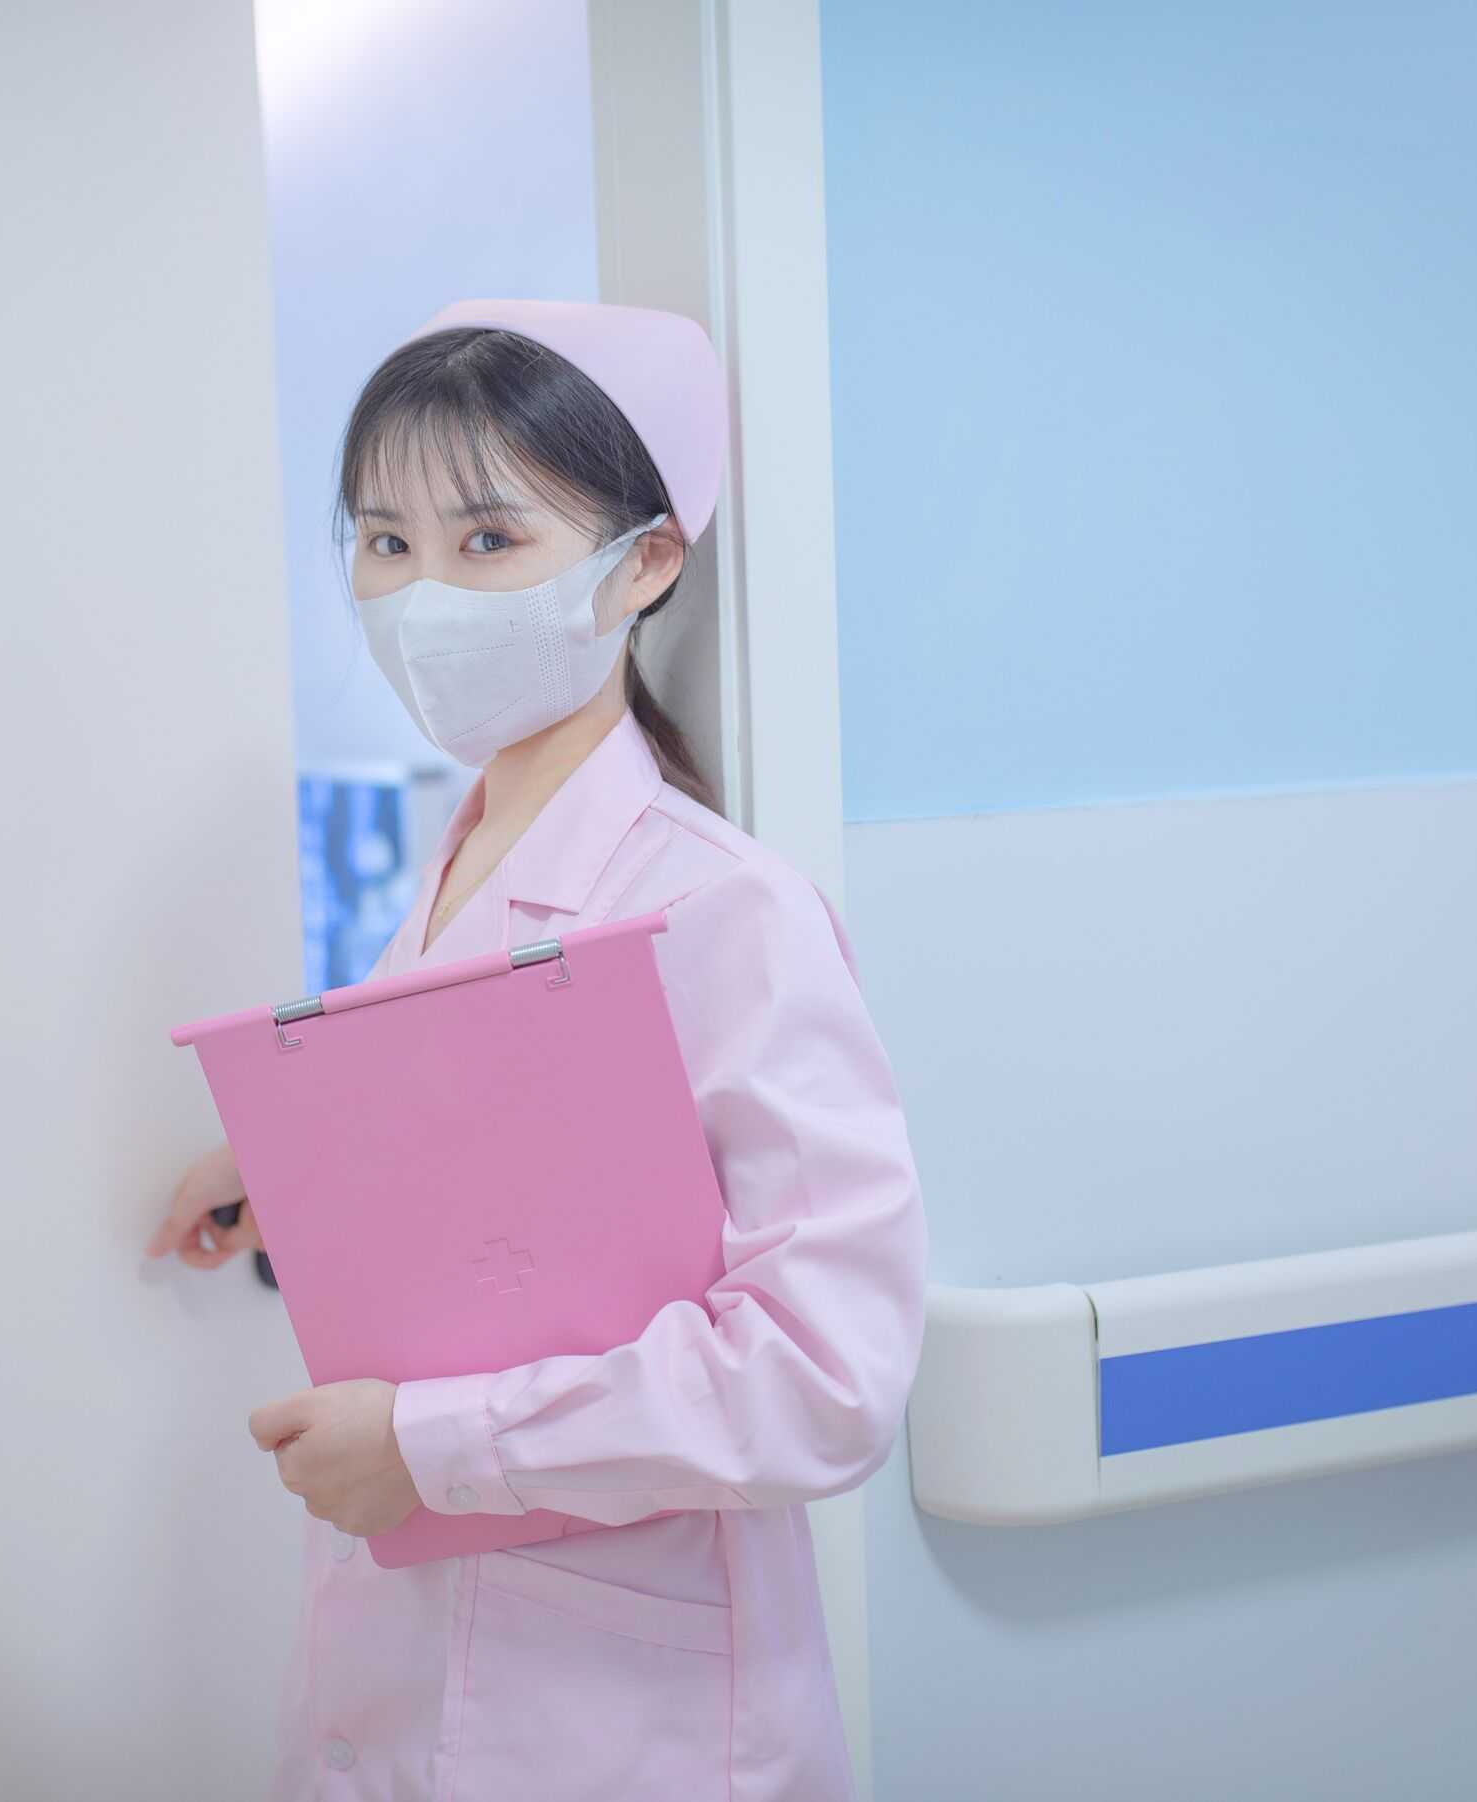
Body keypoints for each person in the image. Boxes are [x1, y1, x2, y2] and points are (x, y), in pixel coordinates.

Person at [146, 298, 927, 1800]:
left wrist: (433, 1449)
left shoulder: (724, 908)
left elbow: (825, 1374)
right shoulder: (458, 868)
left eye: (488, 540)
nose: (422, 595)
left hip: (625, 1725)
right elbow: (520, 1199)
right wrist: (289, 1175)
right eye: (386, 541)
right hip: (419, 1692)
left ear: (645, 563)